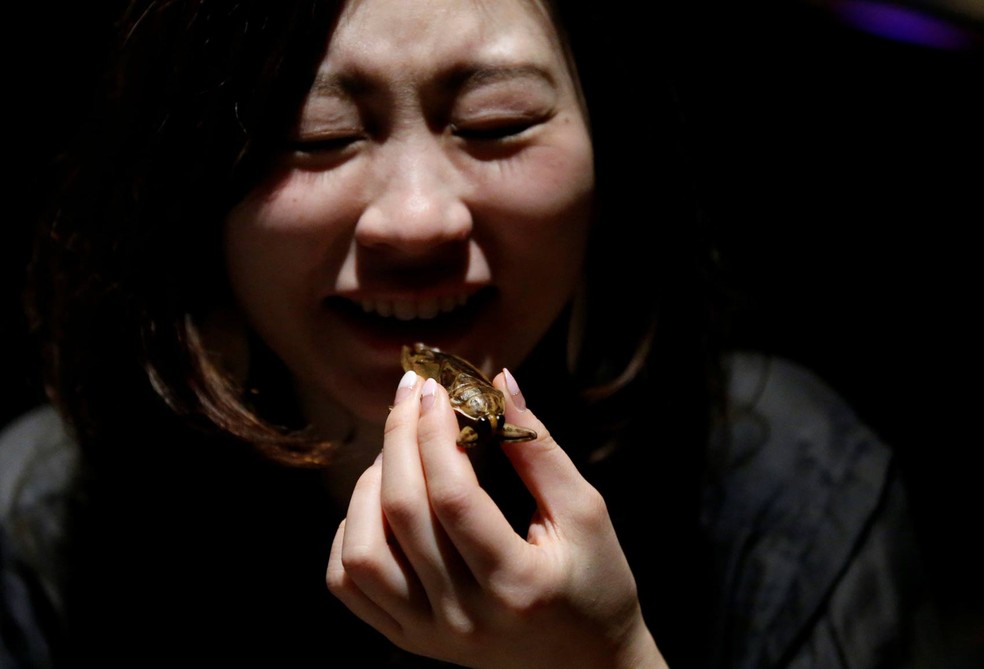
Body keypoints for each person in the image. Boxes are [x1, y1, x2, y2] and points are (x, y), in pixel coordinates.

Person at [0, 0, 957, 667]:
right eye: (320, 136)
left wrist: (602, 660)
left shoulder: (791, 485)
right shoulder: (39, 527)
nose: (417, 221)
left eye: (497, 123)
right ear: (192, 190)